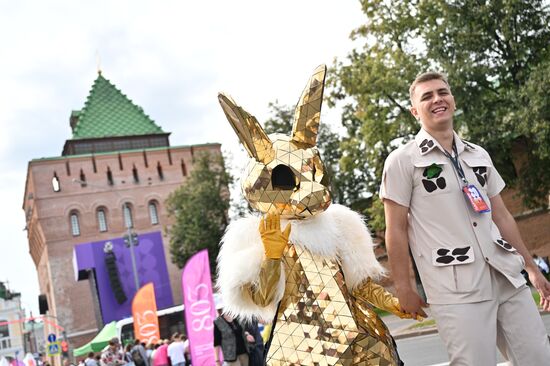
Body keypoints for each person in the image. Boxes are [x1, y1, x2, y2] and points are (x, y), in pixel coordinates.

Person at [381, 71, 550, 365]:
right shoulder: (403, 161)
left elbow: (502, 215)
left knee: (538, 358)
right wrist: (404, 288)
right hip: (456, 288)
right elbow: (395, 230)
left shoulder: (478, 154)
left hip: (506, 276)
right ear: (414, 111)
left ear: (453, 100)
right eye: (427, 96)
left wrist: (530, 267)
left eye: (442, 92)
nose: (437, 99)